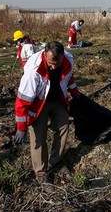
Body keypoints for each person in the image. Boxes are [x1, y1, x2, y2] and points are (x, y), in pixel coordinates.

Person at [14, 41, 80, 184]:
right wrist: (21, 127)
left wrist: (75, 93)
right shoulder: (33, 70)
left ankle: (55, 161)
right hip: (38, 103)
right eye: (51, 63)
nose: (54, 66)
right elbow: (22, 101)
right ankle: (41, 171)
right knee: (39, 135)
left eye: (57, 63)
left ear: (63, 56)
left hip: (57, 99)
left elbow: (69, 78)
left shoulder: (68, 60)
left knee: (63, 126)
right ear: (45, 54)